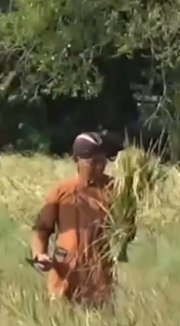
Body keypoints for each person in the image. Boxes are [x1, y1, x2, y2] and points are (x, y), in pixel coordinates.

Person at [30, 132, 120, 308]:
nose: (99, 167)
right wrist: (39, 254)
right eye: (93, 162)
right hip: (65, 273)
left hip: (99, 273)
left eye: (103, 161)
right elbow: (41, 229)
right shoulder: (62, 191)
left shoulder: (115, 190)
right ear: (76, 160)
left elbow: (126, 230)